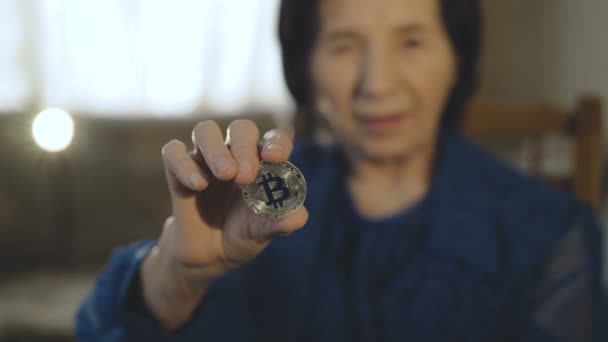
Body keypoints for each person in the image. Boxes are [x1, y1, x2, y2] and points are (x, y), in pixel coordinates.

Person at [75, 0, 607, 340]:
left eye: (412, 41)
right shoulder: (247, 201)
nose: (377, 84)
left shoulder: (551, 230)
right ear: (304, 65)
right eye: (344, 45)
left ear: (457, 60)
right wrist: (179, 274)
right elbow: (96, 326)